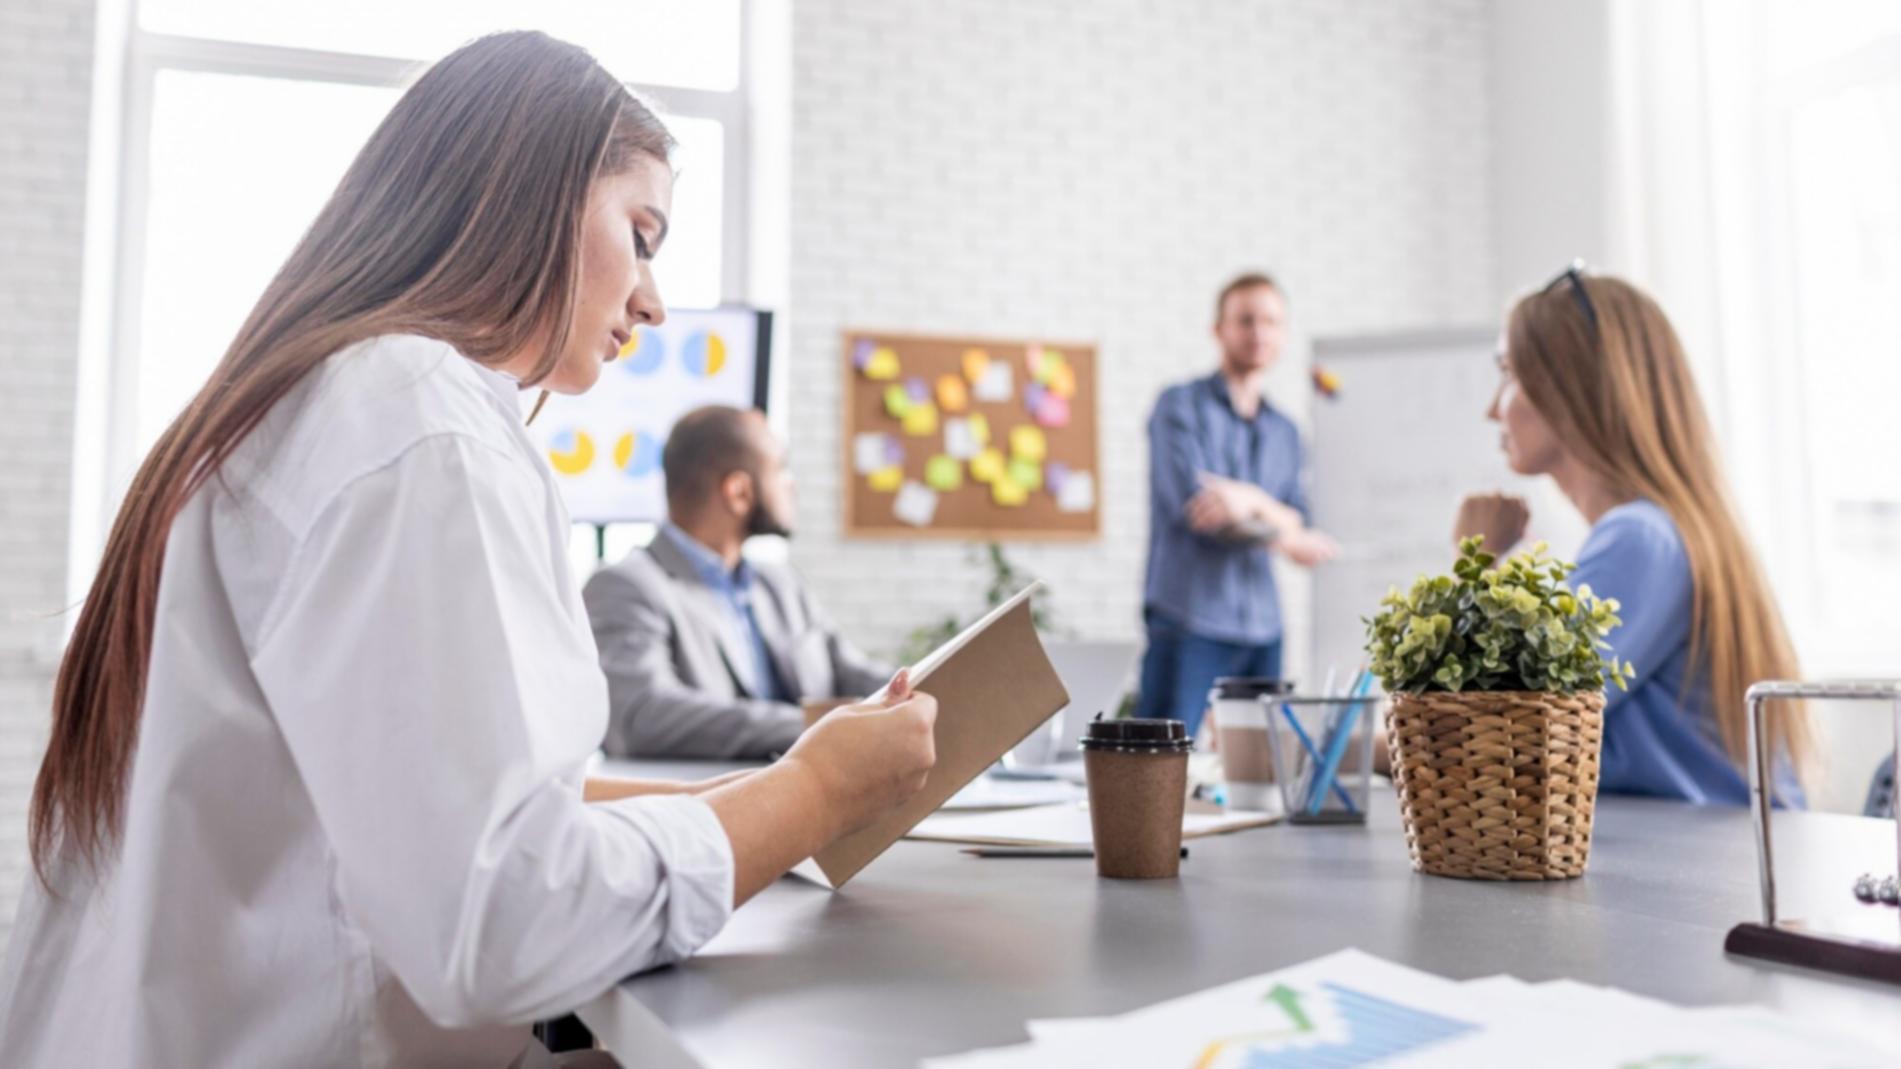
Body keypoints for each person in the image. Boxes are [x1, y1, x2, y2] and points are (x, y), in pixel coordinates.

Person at [0, 33, 936, 1067]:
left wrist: (784, 788)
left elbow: (443, 806)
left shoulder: (307, 402)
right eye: (642, 232)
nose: (654, 300)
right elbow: (503, 924)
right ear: (530, 192)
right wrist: (813, 795)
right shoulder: (420, 422)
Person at [1454, 264, 1812, 806]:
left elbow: (1493, 738)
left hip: (1699, 872)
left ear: (1571, 387)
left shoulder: (1639, 539)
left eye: (1509, 373)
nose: (1491, 408)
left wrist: (1473, 563)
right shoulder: (1657, 531)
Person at [584, 405, 891, 759]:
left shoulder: (781, 584)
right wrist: (818, 727)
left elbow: (849, 671)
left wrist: (917, 694)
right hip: (719, 805)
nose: (791, 484)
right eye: (781, 469)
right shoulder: (628, 586)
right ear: (739, 492)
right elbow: (639, 715)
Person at [1137, 272, 1338, 737]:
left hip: (1263, 626)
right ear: (1219, 330)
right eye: (1245, 320)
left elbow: (1298, 520)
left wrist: (1249, 499)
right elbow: (1201, 511)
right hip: (1189, 617)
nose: (1258, 333)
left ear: (1283, 333)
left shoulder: (1287, 432)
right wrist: (1279, 524)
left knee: (1262, 764)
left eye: (1270, 321)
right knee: (1163, 762)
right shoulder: (1179, 407)